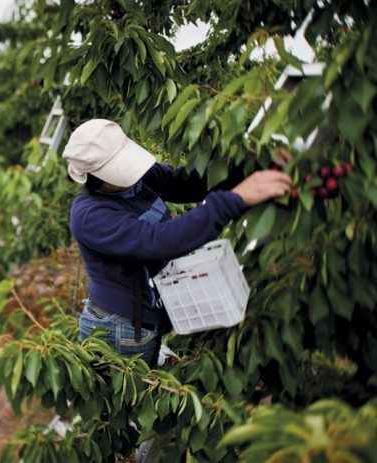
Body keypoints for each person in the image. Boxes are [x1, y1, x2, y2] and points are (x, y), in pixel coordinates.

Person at [63, 118, 293, 460]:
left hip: (148, 317)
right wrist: (235, 199)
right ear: (96, 176)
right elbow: (158, 241)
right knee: (115, 423)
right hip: (117, 328)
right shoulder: (89, 215)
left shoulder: (139, 179)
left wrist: (248, 168)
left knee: (140, 408)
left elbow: (188, 183)